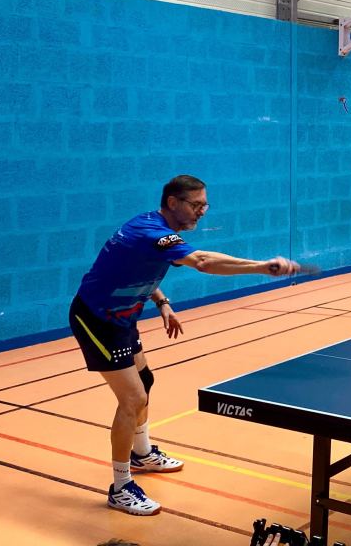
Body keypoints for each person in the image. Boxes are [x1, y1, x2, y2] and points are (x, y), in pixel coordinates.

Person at [69, 175, 306, 516]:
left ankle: (141, 453)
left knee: (145, 382)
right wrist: (261, 267)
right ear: (172, 203)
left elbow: (132, 268)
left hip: (123, 316)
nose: (201, 212)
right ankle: (120, 488)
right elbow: (204, 261)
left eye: (204, 205)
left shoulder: (153, 231)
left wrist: (162, 302)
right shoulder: (151, 233)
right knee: (133, 398)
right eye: (195, 205)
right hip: (97, 320)